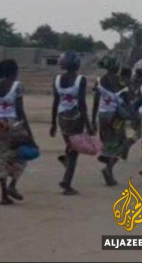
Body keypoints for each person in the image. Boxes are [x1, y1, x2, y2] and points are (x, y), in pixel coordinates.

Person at [50, 51, 94, 196]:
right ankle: (66, 182)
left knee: (71, 146)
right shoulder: (80, 79)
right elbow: (82, 103)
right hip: (76, 118)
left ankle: (66, 162)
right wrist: (88, 124)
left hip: (62, 118)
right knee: (74, 151)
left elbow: (55, 102)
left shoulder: (56, 79)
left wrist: (53, 123)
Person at [92, 56, 134, 186]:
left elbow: (95, 102)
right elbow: (128, 99)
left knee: (108, 141)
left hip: (102, 115)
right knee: (121, 144)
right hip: (116, 117)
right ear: (115, 67)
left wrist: (93, 119)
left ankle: (107, 165)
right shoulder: (120, 82)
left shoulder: (99, 81)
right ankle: (108, 169)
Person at [0, 60, 35, 205]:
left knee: (2, 158)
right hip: (13, 125)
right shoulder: (17, 86)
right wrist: (28, 133)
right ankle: (12, 185)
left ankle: (3, 195)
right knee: (22, 155)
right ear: (14, 71)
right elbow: (20, 111)